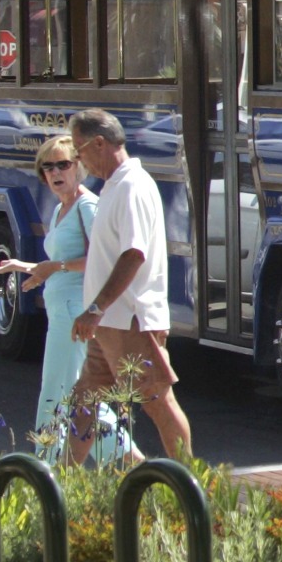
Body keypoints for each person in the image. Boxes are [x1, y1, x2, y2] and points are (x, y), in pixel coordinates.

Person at [0, 135, 136, 465]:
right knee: (77, 396)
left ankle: (45, 473)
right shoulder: (61, 209)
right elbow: (60, 262)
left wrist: (57, 267)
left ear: (78, 166)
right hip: (61, 311)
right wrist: (30, 268)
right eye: (47, 167)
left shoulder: (86, 206)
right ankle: (130, 464)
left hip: (74, 312)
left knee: (56, 395)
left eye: (63, 164)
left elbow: (103, 257)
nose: (55, 172)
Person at [66, 108, 192, 463]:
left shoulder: (132, 187)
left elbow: (133, 255)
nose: (79, 160)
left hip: (130, 320)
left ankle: (192, 486)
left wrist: (95, 308)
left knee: (157, 401)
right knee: (85, 400)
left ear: (100, 143)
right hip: (110, 323)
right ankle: (63, 483)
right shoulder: (114, 185)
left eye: (79, 150)